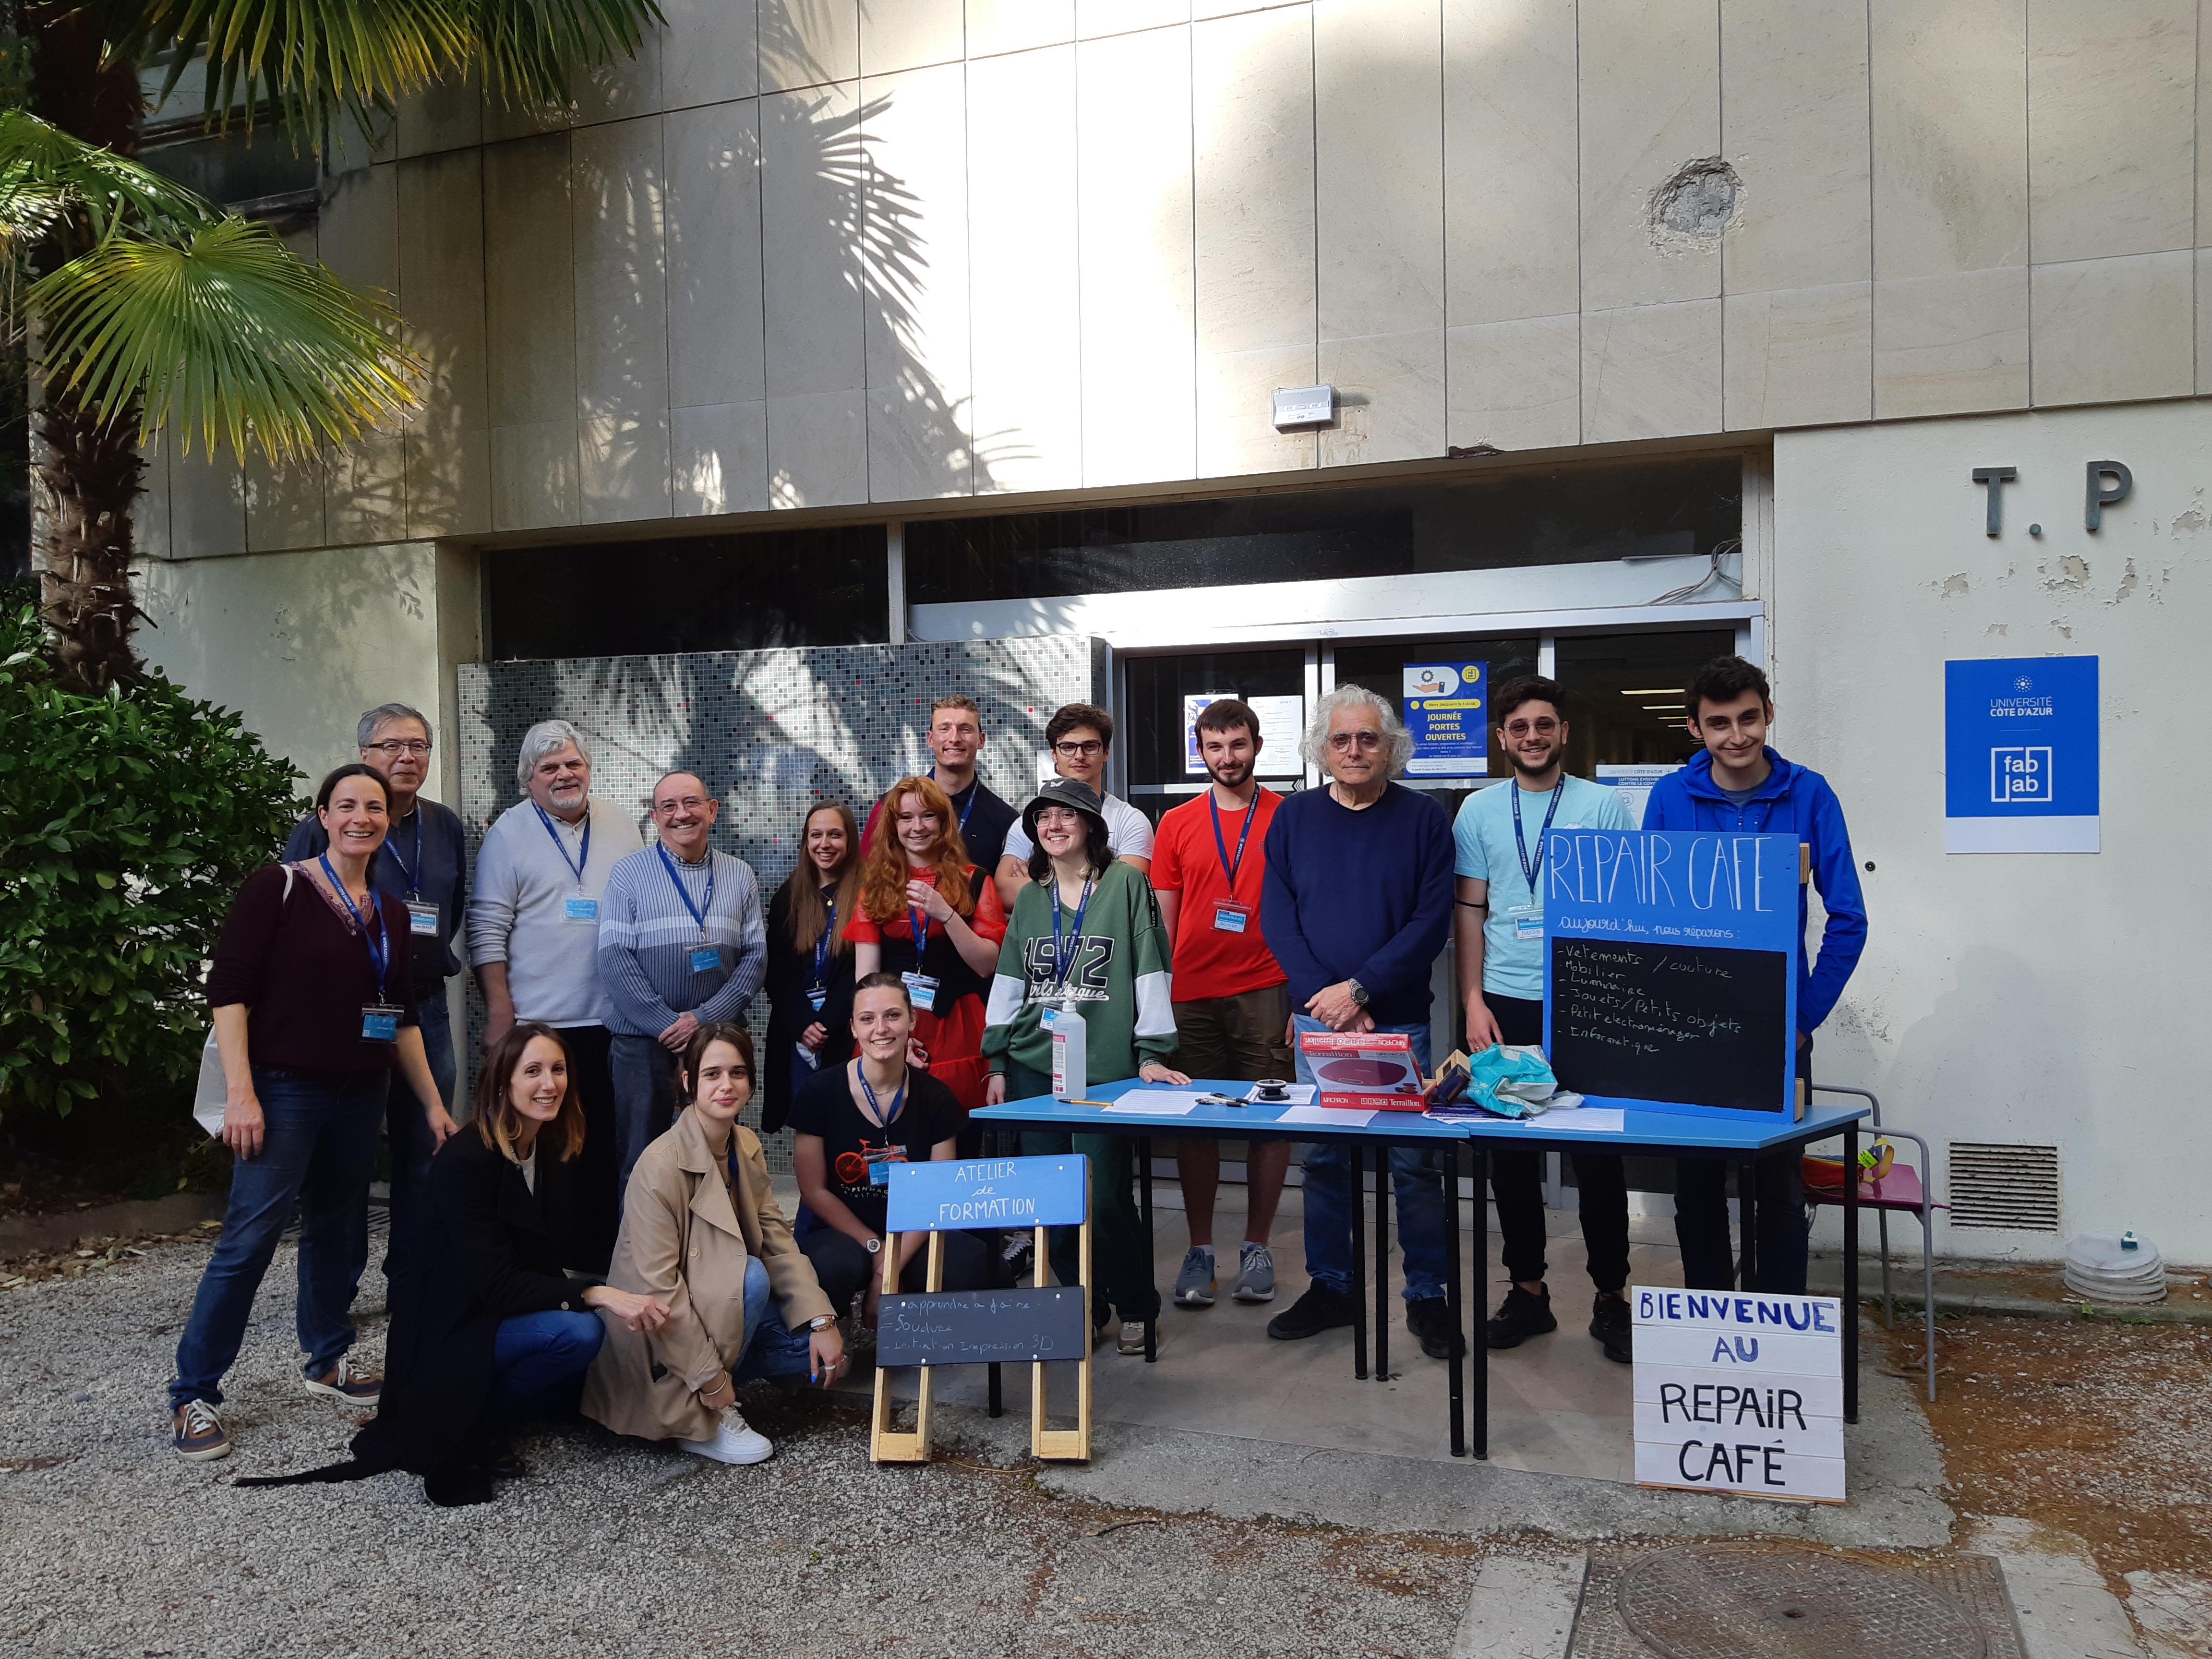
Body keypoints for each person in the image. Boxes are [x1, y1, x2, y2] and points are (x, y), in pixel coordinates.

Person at [236, 1026, 670, 1506]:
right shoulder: (468, 1159)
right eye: (533, 1071)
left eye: (558, 1069)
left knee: (600, 1326)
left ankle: (503, 1407)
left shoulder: (550, 1145)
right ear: (503, 1083)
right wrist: (594, 1294)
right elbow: (498, 1285)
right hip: (454, 1326)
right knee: (579, 1332)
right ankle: (484, 1424)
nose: (549, 1083)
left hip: (502, 1306)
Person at [169, 764, 457, 1462]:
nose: (363, 817)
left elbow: (405, 1021)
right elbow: (230, 992)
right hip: (284, 1091)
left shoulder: (390, 914)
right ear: (323, 816)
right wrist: (242, 1093)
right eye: (348, 806)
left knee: (339, 1226)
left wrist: (435, 1108)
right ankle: (193, 1393)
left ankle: (327, 1358)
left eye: (376, 808)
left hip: (361, 1094)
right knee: (250, 1240)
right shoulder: (280, 887)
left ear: (389, 822)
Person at [1642, 655, 1867, 1297]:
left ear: (1769, 713)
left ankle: (1779, 1330)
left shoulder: (1810, 794)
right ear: (1695, 728)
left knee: (1777, 1189)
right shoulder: (1669, 798)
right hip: (1689, 1035)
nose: (1736, 735)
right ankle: (1712, 1318)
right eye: (1719, 723)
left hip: (1778, 1034)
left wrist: (1802, 1017)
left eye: (1748, 718)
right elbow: (1645, 916)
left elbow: (1848, 916)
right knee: (1698, 1191)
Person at [1258, 686, 1456, 1359]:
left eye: (1368, 738)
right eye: (1341, 739)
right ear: (1321, 749)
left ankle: (1429, 1296)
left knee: (1416, 1168)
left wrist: (1363, 989)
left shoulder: (1425, 820)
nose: (1354, 750)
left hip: (1400, 1024)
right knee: (1324, 1162)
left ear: (1391, 747)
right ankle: (1333, 1287)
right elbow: (1278, 918)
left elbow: (1431, 923)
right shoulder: (1292, 819)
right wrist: (1327, 999)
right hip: (1320, 1026)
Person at [1451, 675, 1637, 1363]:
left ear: (1564, 732)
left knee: (1598, 1159)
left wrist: (1615, 1001)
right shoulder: (1476, 810)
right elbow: (1471, 909)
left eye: (1545, 725)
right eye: (1520, 727)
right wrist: (1472, 1000)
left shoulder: (1604, 805)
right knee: (1512, 1161)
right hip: (1505, 1000)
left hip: (1585, 999)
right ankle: (1527, 1293)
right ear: (1502, 738)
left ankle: (1611, 1296)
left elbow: (1625, 910)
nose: (1533, 737)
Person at [984, 778, 1185, 1356]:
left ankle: (1135, 1305)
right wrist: (996, 1061)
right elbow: (1009, 984)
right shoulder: (1029, 897)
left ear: (1091, 826)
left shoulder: (1125, 884)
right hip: (1032, 1066)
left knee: (1104, 1197)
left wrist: (1151, 1053)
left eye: (1066, 815)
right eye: (1043, 817)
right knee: (1049, 1199)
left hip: (1104, 1070)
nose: (1053, 825)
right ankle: (1082, 1305)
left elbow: (1151, 967)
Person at [583, 1023, 844, 1466]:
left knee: (819, 1353)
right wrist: (714, 1386)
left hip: (718, 1302)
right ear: (688, 1082)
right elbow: (661, 1291)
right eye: (712, 1074)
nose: (727, 1085)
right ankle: (704, 1414)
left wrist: (822, 1322)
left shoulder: (744, 1144)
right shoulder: (659, 1167)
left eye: (738, 1073)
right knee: (753, 1277)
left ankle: (726, 1373)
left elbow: (778, 1238)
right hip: (661, 1332)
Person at [282, 703, 468, 1300]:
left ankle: (410, 1284)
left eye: (418, 746)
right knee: (348, 1157)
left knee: (425, 1149)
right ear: (365, 755)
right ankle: (337, 1291)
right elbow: (294, 921)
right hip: (350, 1019)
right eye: (391, 746)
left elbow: (452, 910)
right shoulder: (326, 825)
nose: (406, 758)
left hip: (425, 1010)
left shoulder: (444, 826)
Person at [467, 719, 643, 1271]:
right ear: (529, 780)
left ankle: (602, 1264)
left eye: (573, 764)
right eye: (550, 768)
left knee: (604, 1150)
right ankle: (543, 1269)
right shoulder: (509, 833)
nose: (564, 775)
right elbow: (486, 928)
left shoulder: (621, 825)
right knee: (544, 1152)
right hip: (538, 1027)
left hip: (614, 1022)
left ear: (588, 770)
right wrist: (501, 1014)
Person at [1149, 697, 1295, 1310]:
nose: (1227, 757)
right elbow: (1162, 922)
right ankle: (1201, 1249)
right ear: (1200, 751)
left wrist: (1301, 993)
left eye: (1238, 744)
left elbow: (1304, 907)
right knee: (1197, 1122)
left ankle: (1258, 1247)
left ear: (1258, 746)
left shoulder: (1290, 818)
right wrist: (1158, 999)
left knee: (1270, 1118)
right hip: (1193, 994)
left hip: (1267, 987)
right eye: (1215, 746)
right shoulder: (1177, 823)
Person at [596, 770, 768, 1196]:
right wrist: (665, 1025)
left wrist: (704, 1021)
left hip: (718, 1041)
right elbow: (613, 957)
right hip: (642, 1043)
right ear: (654, 817)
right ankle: (641, 1261)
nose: (681, 814)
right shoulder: (627, 874)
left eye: (691, 803)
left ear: (712, 811)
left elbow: (756, 958)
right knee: (641, 1160)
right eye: (668, 807)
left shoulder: (739, 874)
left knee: (721, 1153)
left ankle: (722, 1257)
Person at [789, 974, 997, 1318]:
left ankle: (916, 1322)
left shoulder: (937, 1098)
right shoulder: (820, 1093)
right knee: (828, 1266)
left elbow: (938, 1195)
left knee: (982, 1270)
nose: (881, 1029)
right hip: (845, 1231)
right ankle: (832, 1326)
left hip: (918, 1230)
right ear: (854, 1028)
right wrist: (876, 1248)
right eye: (867, 1019)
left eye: (893, 1016)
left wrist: (888, 1270)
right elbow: (814, 1190)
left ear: (912, 1020)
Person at [847, 775, 1007, 1124]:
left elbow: (986, 964)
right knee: (894, 1137)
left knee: (957, 1135)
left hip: (959, 1028)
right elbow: (866, 979)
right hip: (893, 1026)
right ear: (894, 826)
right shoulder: (874, 886)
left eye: (927, 816)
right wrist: (888, 1037)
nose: (917, 827)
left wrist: (947, 915)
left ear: (943, 822)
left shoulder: (975, 880)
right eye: (906, 818)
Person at [761, 802, 862, 1134]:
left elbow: (862, 970)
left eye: (835, 835)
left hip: (844, 1030)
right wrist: (804, 1022)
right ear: (806, 842)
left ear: (850, 840)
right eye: (816, 835)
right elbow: (776, 972)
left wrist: (826, 1022)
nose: (825, 844)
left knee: (846, 1124)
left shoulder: (867, 893)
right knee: (805, 1126)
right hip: (796, 1034)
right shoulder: (787, 898)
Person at [993, 703, 1153, 911]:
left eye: (1090, 746)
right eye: (1068, 747)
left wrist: (1037, 884)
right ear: (1054, 754)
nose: (1079, 756)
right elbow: (1003, 892)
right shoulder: (1032, 821)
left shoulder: (1131, 821)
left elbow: (1126, 893)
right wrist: (1095, 882)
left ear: (1106, 752)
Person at [862, 694, 1020, 875]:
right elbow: (866, 875)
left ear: (981, 740)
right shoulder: (890, 805)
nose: (954, 738)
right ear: (930, 739)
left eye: (965, 730)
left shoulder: (1005, 821)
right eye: (944, 729)